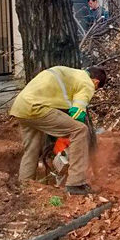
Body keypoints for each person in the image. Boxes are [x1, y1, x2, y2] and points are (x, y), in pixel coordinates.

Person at [9, 66, 107, 195]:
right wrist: (69, 139)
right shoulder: (87, 83)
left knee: (31, 149)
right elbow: (77, 113)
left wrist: (63, 134)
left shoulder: (69, 73)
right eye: (96, 89)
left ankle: (25, 186)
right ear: (96, 82)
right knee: (80, 130)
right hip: (37, 107)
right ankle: (76, 183)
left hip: (21, 107)